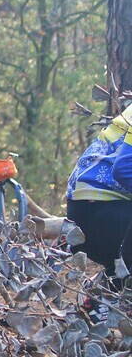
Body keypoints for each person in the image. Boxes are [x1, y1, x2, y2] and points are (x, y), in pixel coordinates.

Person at [66, 103, 132, 289]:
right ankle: (119, 283)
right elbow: (124, 170)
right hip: (97, 214)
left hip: (96, 212)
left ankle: (108, 288)